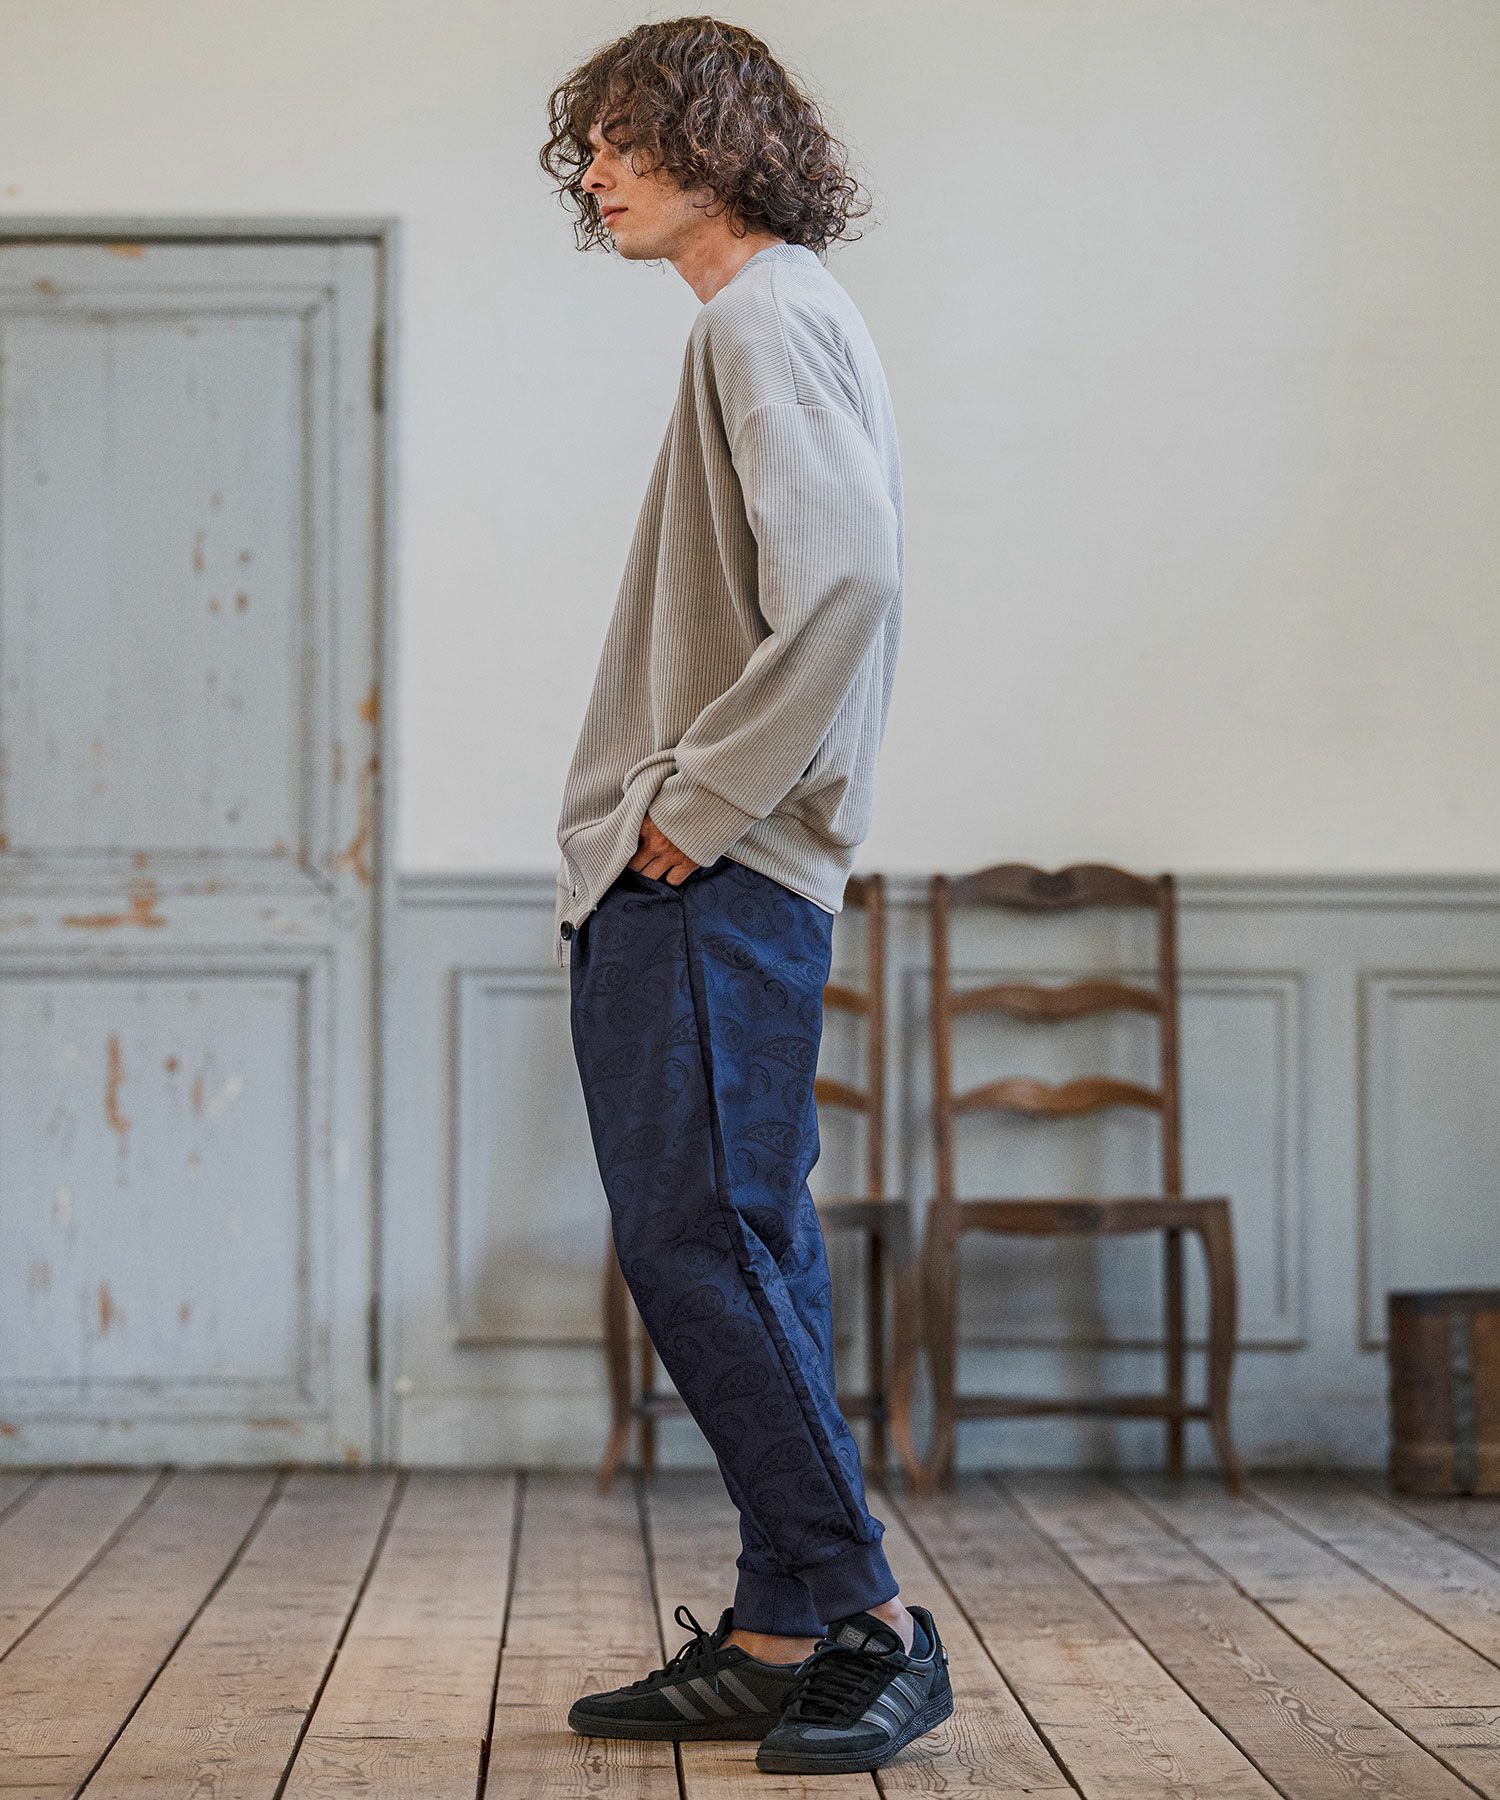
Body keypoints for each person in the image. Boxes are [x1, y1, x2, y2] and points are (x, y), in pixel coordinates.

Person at [540, 17, 953, 1777]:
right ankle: (784, 1627)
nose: (594, 171)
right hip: (735, 877)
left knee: (696, 1242)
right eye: (587, 146)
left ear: (716, 139)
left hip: (712, 878)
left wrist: (693, 808)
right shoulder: (791, 312)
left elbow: (848, 578)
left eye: (624, 136)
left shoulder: (759, 317)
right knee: (748, 1237)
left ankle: (870, 1617)